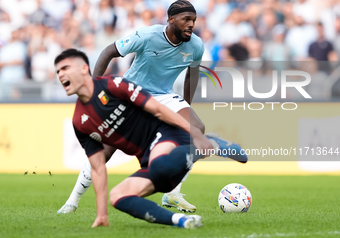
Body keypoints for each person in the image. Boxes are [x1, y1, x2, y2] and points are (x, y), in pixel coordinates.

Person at [54, 49, 246, 228]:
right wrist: (101, 214)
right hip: (152, 161)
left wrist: (195, 133)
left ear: (84, 68)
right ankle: (181, 221)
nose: (60, 74)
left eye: (65, 68)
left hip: (167, 135)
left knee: (159, 165)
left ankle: (210, 143)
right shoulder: (80, 121)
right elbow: (97, 168)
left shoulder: (114, 85)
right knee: (118, 196)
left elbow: (159, 109)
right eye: (57, 71)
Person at [58, 0, 210, 214]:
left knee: (196, 130)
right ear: (171, 20)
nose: (191, 24)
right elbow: (108, 52)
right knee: (105, 151)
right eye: (186, 19)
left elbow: (192, 75)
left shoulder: (196, 46)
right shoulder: (147, 36)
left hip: (163, 95)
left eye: (193, 20)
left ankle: (173, 193)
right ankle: (72, 201)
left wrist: (185, 107)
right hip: (131, 94)